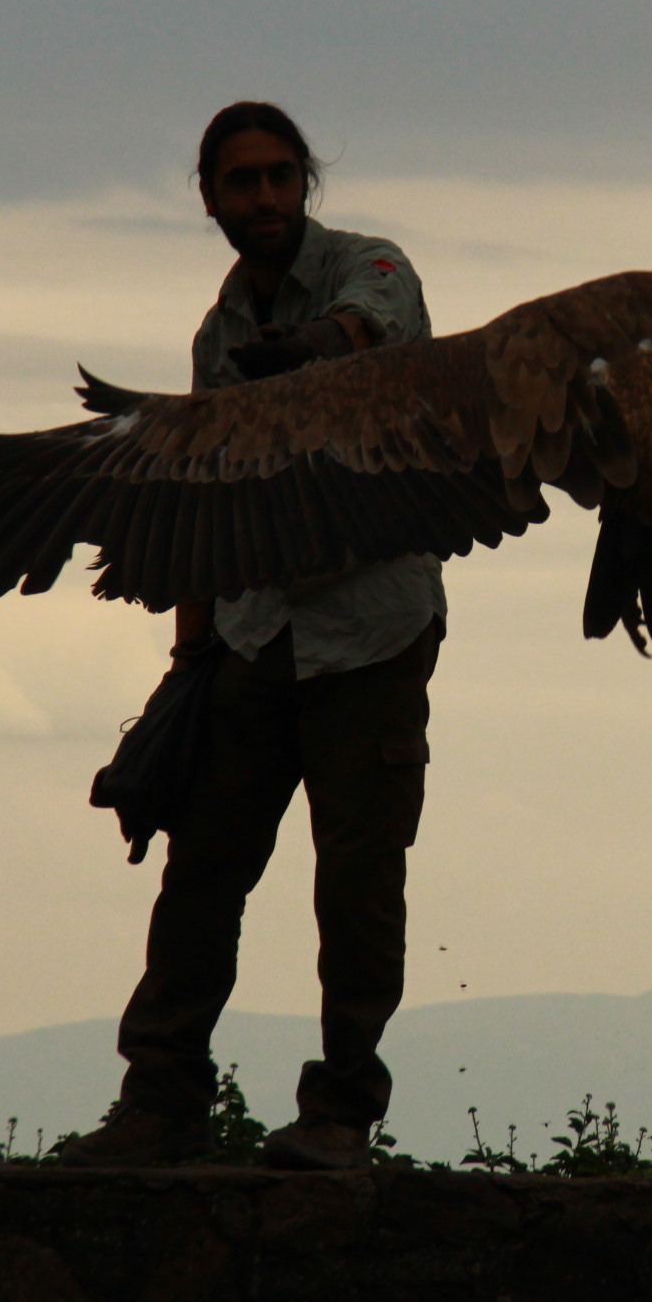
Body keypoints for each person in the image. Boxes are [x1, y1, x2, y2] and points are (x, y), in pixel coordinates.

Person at [58, 102, 444, 1171]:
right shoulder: (217, 335)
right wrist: (188, 664)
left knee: (356, 882)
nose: (265, 198)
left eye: (280, 177)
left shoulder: (373, 269)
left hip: (370, 630)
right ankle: (161, 1099)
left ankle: (340, 1115)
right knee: (201, 873)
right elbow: (200, 508)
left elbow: (375, 328)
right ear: (211, 199)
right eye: (244, 183)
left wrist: (318, 348)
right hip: (251, 633)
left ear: (306, 183)